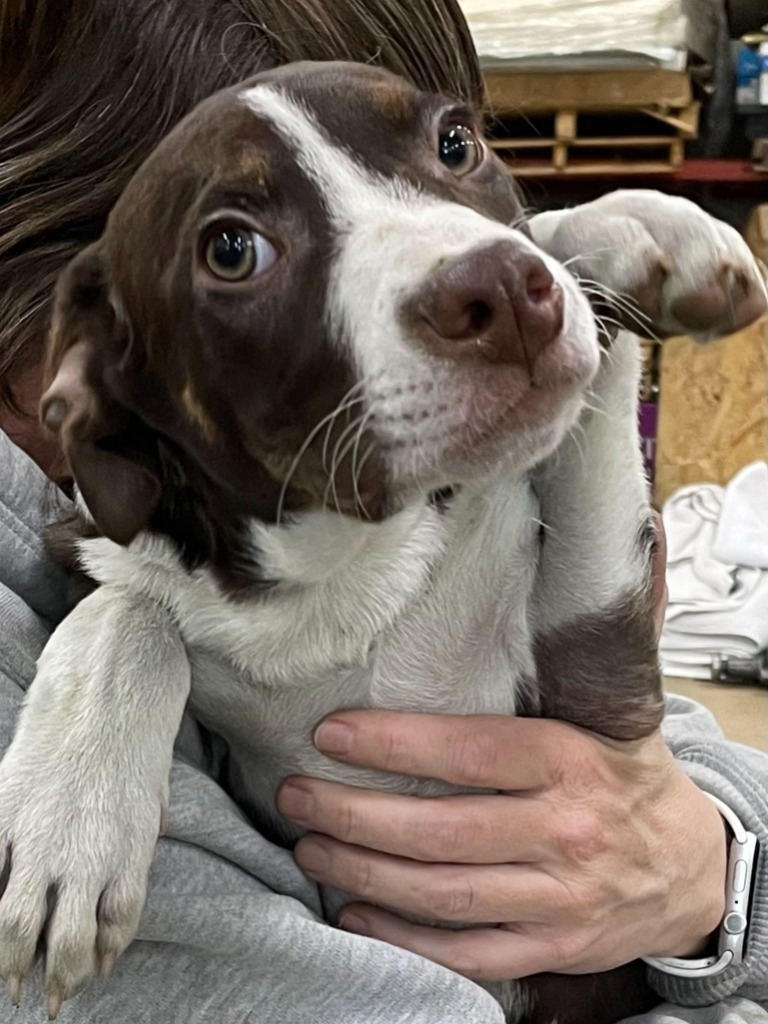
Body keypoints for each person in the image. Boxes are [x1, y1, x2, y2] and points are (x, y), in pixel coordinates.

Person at [0, 2, 765, 1022]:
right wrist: (119, 640)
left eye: (453, 148)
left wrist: (720, 868)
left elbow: (638, 748)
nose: (465, 263)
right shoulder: (97, 575)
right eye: (236, 248)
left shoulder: (415, 497)